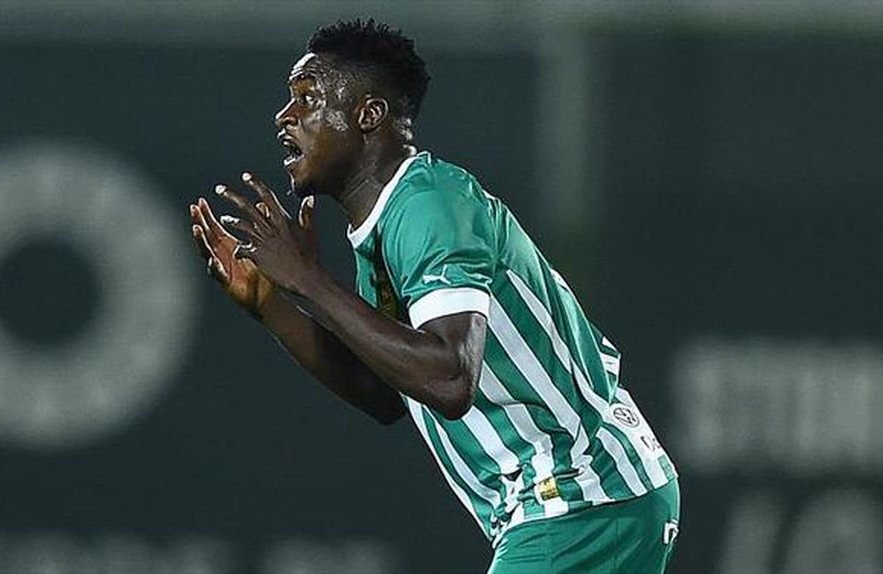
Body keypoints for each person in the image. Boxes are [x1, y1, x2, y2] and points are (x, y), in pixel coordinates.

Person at [189, 19, 680, 574]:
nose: (285, 116)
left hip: (581, 497)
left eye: (308, 98)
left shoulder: (429, 205)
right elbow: (383, 393)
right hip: (591, 498)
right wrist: (272, 304)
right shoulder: (386, 223)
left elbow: (448, 378)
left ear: (368, 115)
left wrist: (308, 279)